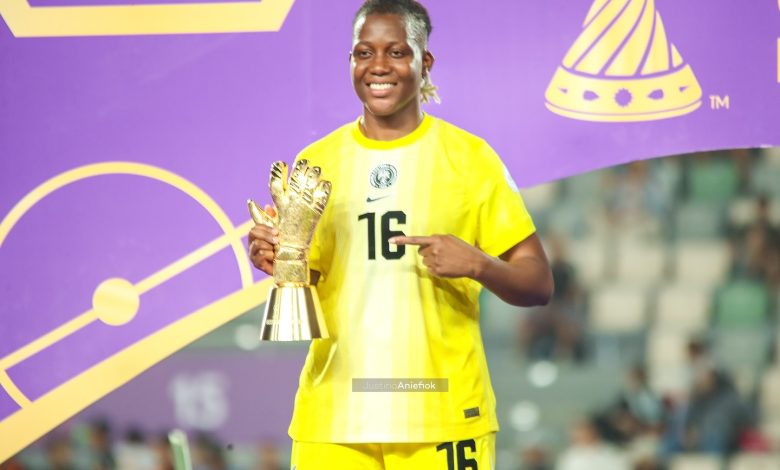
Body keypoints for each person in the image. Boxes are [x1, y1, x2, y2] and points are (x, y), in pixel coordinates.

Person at [247, 1, 553, 468]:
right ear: (350, 61)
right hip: (334, 420)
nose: (378, 67)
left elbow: (538, 283)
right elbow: (305, 277)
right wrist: (275, 256)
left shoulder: (470, 159)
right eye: (363, 53)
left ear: (424, 60)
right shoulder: (316, 162)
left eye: (396, 52)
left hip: (443, 416)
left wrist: (477, 263)